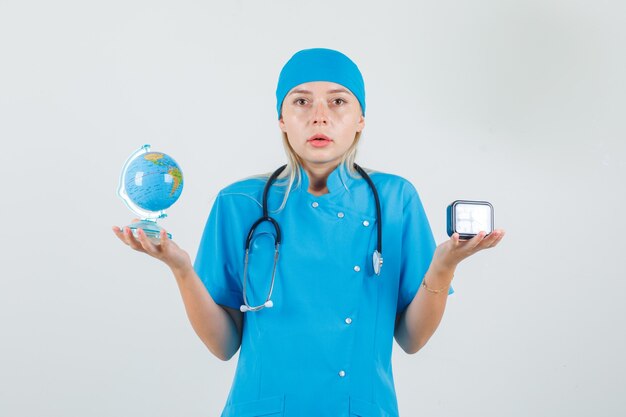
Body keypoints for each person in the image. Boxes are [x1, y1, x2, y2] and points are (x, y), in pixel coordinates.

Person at [113, 48, 505, 417]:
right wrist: (181, 269)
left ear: (360, 119)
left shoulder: (395, 199)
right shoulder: (239, 204)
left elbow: (412, 339)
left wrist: (443, 267)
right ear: (282, 119)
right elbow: (223, 345)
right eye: (301, 102)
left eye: (338, 101)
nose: (320, 116)